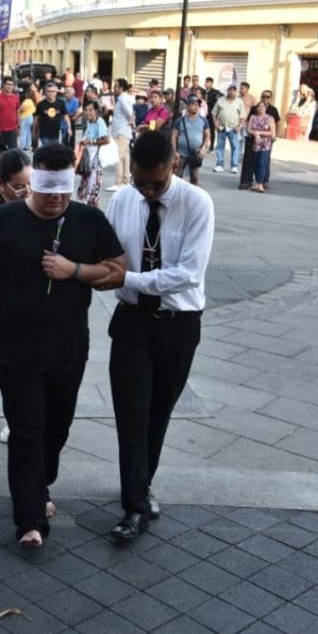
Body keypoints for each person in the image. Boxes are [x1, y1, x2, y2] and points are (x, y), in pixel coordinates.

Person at [0, 143, 123, 548]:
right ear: (32, 182)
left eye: (64, 190)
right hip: (13, 348)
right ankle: (30, 520)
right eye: (48, 190)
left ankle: (41, 485)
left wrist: (74, 269)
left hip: (68, 348)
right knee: (26, 430)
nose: (57, 198)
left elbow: (117, 270)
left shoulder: (89, 220)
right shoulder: (0, 220)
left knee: (56, 427)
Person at [102, 130, 214, 541]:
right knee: (131, 413)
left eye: (156, 182)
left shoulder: (196, 203)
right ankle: (134, 505)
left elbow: (189, 274)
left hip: (178, 325)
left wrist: (127, 276)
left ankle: (140, 483)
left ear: (175, 166)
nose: (146, 191)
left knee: (157, 413)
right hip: (132, 321)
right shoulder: (123, 199)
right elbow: (106, 251)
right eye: (139, 181)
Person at [171, 95, 209, 187]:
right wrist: (174, 151)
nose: (196, 107)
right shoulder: (180, 120)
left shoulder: (203, 120)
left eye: (198, 105)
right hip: (181, 153)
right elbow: (174, 136)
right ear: (187, 106)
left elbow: (207, 136)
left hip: (196, 153)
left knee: (195, 177)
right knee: (177, 176)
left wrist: (203, 148)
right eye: (193, 105)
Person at [77, 102, 109, 206]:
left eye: (90, 110)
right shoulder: (89, 122)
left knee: (92, 194)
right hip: (88, 163)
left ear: (96, 111)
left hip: (96, 164)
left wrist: (91, 141)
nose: (88, 112)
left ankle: (93, 217)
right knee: (87, 192)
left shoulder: (99, 122)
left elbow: (106, 140)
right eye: (86, 110)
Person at [108, 78, 135, 191]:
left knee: (119, 158)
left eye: (116, 86)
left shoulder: (123, 99)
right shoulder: (124, 98)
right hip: (124, 132)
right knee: (125, 158)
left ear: (121, 88)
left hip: (121, 132)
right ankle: (125, 181)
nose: (114, 88)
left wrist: (131, 122)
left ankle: (118, 183)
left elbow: (130, 113)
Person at [212, 85, 243, 173]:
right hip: (221, 127)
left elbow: (242, 116)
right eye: (230, 90)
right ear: (227, 90)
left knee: (235, 147)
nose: (231, 92)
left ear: (236, 92)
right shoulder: (221, 100)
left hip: (233, 128)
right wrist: (215, 124)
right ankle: (219, 165)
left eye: (233, 90)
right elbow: (214, 113)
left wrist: (239, 126)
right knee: (220, 147)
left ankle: (234, 166)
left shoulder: (239, 102)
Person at [248, 101, 276, 193]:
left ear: (265, 108)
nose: (260, 108)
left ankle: (260, 183)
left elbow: (271, 132)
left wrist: (259, 133)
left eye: (262, 106)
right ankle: (257, 182)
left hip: (265, 143)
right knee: (255, 163)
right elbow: (249, 129)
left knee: (262, 163)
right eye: (259, 106)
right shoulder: (253, 117)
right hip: (255, 143)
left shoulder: (270, 118)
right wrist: (255, 135)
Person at [34, 81, 69, 151]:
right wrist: (35, 135)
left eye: (53, 91)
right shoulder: (40, 104)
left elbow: (65, 116)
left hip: (56, 134)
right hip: (44, 134)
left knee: (55, 153)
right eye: (49, 91)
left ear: (56, 92)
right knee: (47, 152)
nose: (51, 93)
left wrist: (69, 128)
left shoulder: (61, 103)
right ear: (45, 92)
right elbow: (37, 119)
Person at [0, 76, 20, 149]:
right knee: (0, 152)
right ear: (3, 85)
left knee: (13, 152)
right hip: (1, 130)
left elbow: (17, 112)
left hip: (13, 129)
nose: (9, 86)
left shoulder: (16, 97)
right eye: (7, 84)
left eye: (11, 85)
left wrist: (19, 126)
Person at [203, 77, 222, 150]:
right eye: (206, 82)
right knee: (203, 129)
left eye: (208, 82)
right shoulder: (203, 91)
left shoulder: (215, 92)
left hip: (211, 114)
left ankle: (211, 146)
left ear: (211, 83)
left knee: (211, 130)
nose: (206, 84)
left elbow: (220, 99)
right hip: (204, 113)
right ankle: (204, 144)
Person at [19, 84, 38, 152]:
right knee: (28, 132)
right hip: (30, 117)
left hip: (25, 117)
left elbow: (21, 109)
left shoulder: (27, 101)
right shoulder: (32, 101)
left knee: (24, 132)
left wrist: (18, 110)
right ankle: (27, 145)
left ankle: (23, 145)